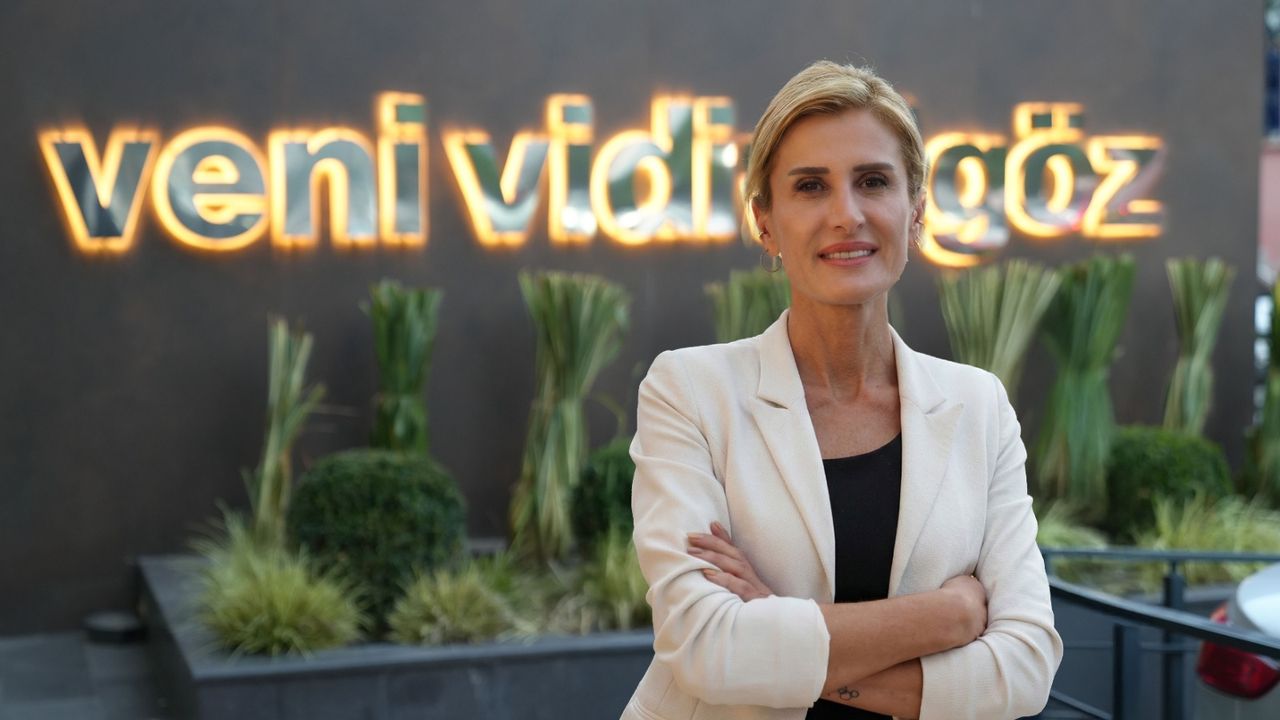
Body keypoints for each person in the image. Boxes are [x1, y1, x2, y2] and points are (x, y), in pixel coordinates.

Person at [620, 61, 1063, 720]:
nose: (846, 215)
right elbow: (706, 647)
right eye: (810, 187)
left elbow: (1024, 669)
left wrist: (772, 622)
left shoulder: (979, 407)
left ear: (915, 212)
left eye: (873, 182)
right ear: (765, 222)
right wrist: (946, 616)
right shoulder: (690, 392)